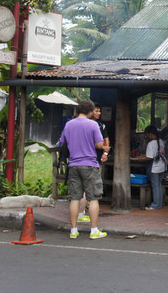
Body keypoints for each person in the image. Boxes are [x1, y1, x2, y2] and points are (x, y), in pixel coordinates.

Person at [60, 99, 107, 240]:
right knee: (93, 198)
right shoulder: (93, 124)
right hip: (89, 165)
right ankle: (94, 231)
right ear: (90, 111)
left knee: (75, 198)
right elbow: (99, 144)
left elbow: (63, 141)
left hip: (73, 165)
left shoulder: (69, 124)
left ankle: (73, 230)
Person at [142, 125, 166, 210]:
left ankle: (155, 204)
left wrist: (140, 158)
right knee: (159, 185)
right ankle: (159, 204)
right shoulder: (161, 141)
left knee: (155, 186)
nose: (147, 136)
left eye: (147, 134)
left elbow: (149, 157)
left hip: (154, 167)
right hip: (162, 166)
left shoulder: (151, 144)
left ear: (150, 134)